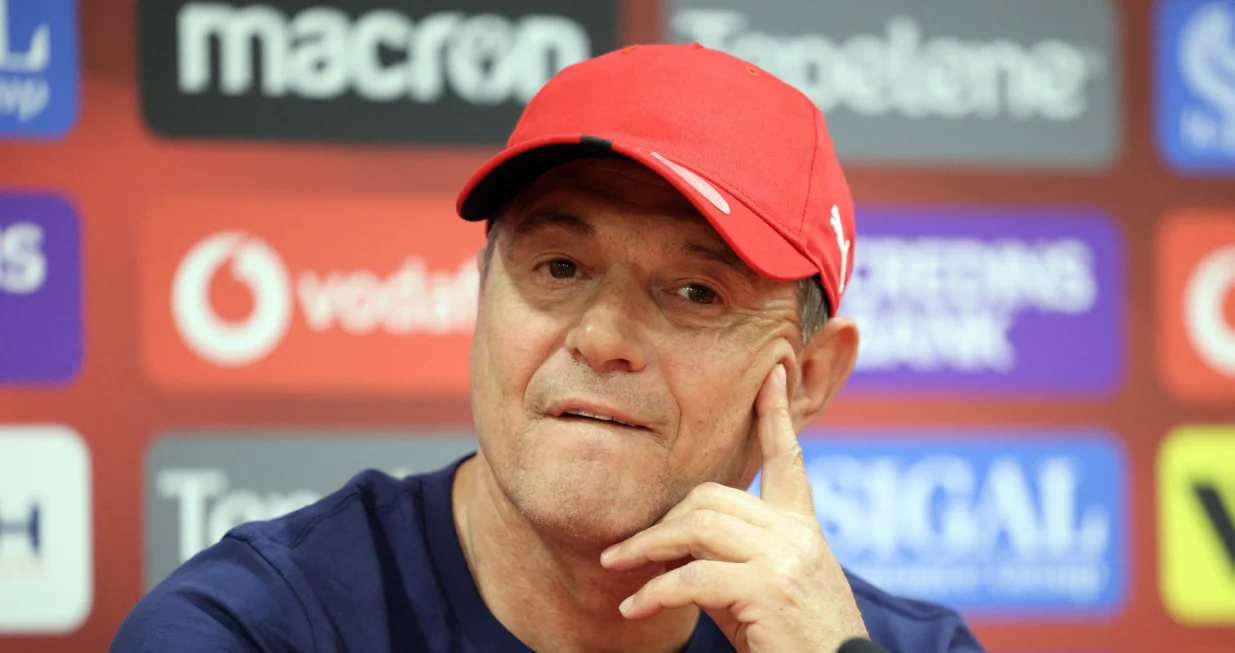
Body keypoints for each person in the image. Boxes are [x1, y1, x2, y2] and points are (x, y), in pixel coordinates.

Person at [110, 43, 985, 653]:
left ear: (810, 378)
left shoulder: (895, 646)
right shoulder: (254, 629)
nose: (603, 337)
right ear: (484, 293)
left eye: (694, 293)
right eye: (559, 266)